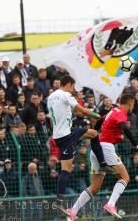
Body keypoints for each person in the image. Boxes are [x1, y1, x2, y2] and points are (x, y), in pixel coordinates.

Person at [65, 94, 138, 221]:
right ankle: (111, 204)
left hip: (96, 149)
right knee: (125, 177)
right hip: (106, 148)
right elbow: (124, 127)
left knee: (94, 187)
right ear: (130, 103)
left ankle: (73, 211)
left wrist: (94, 134)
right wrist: (135, 144)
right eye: (133, 104)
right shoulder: (121, 113)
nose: (132, 107)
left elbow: (100, 121)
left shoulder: (112, 111)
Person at [47, 75, 114, 213]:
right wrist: (96, 116)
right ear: (69, 84)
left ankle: (103, 164)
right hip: (65, 136)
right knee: (66, 169)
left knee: (93, 134)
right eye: (72, 87)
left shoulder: (51, 96)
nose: (73, 89)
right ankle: (59, 200)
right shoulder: (66, 95)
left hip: (63, 133)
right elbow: (81, 110)